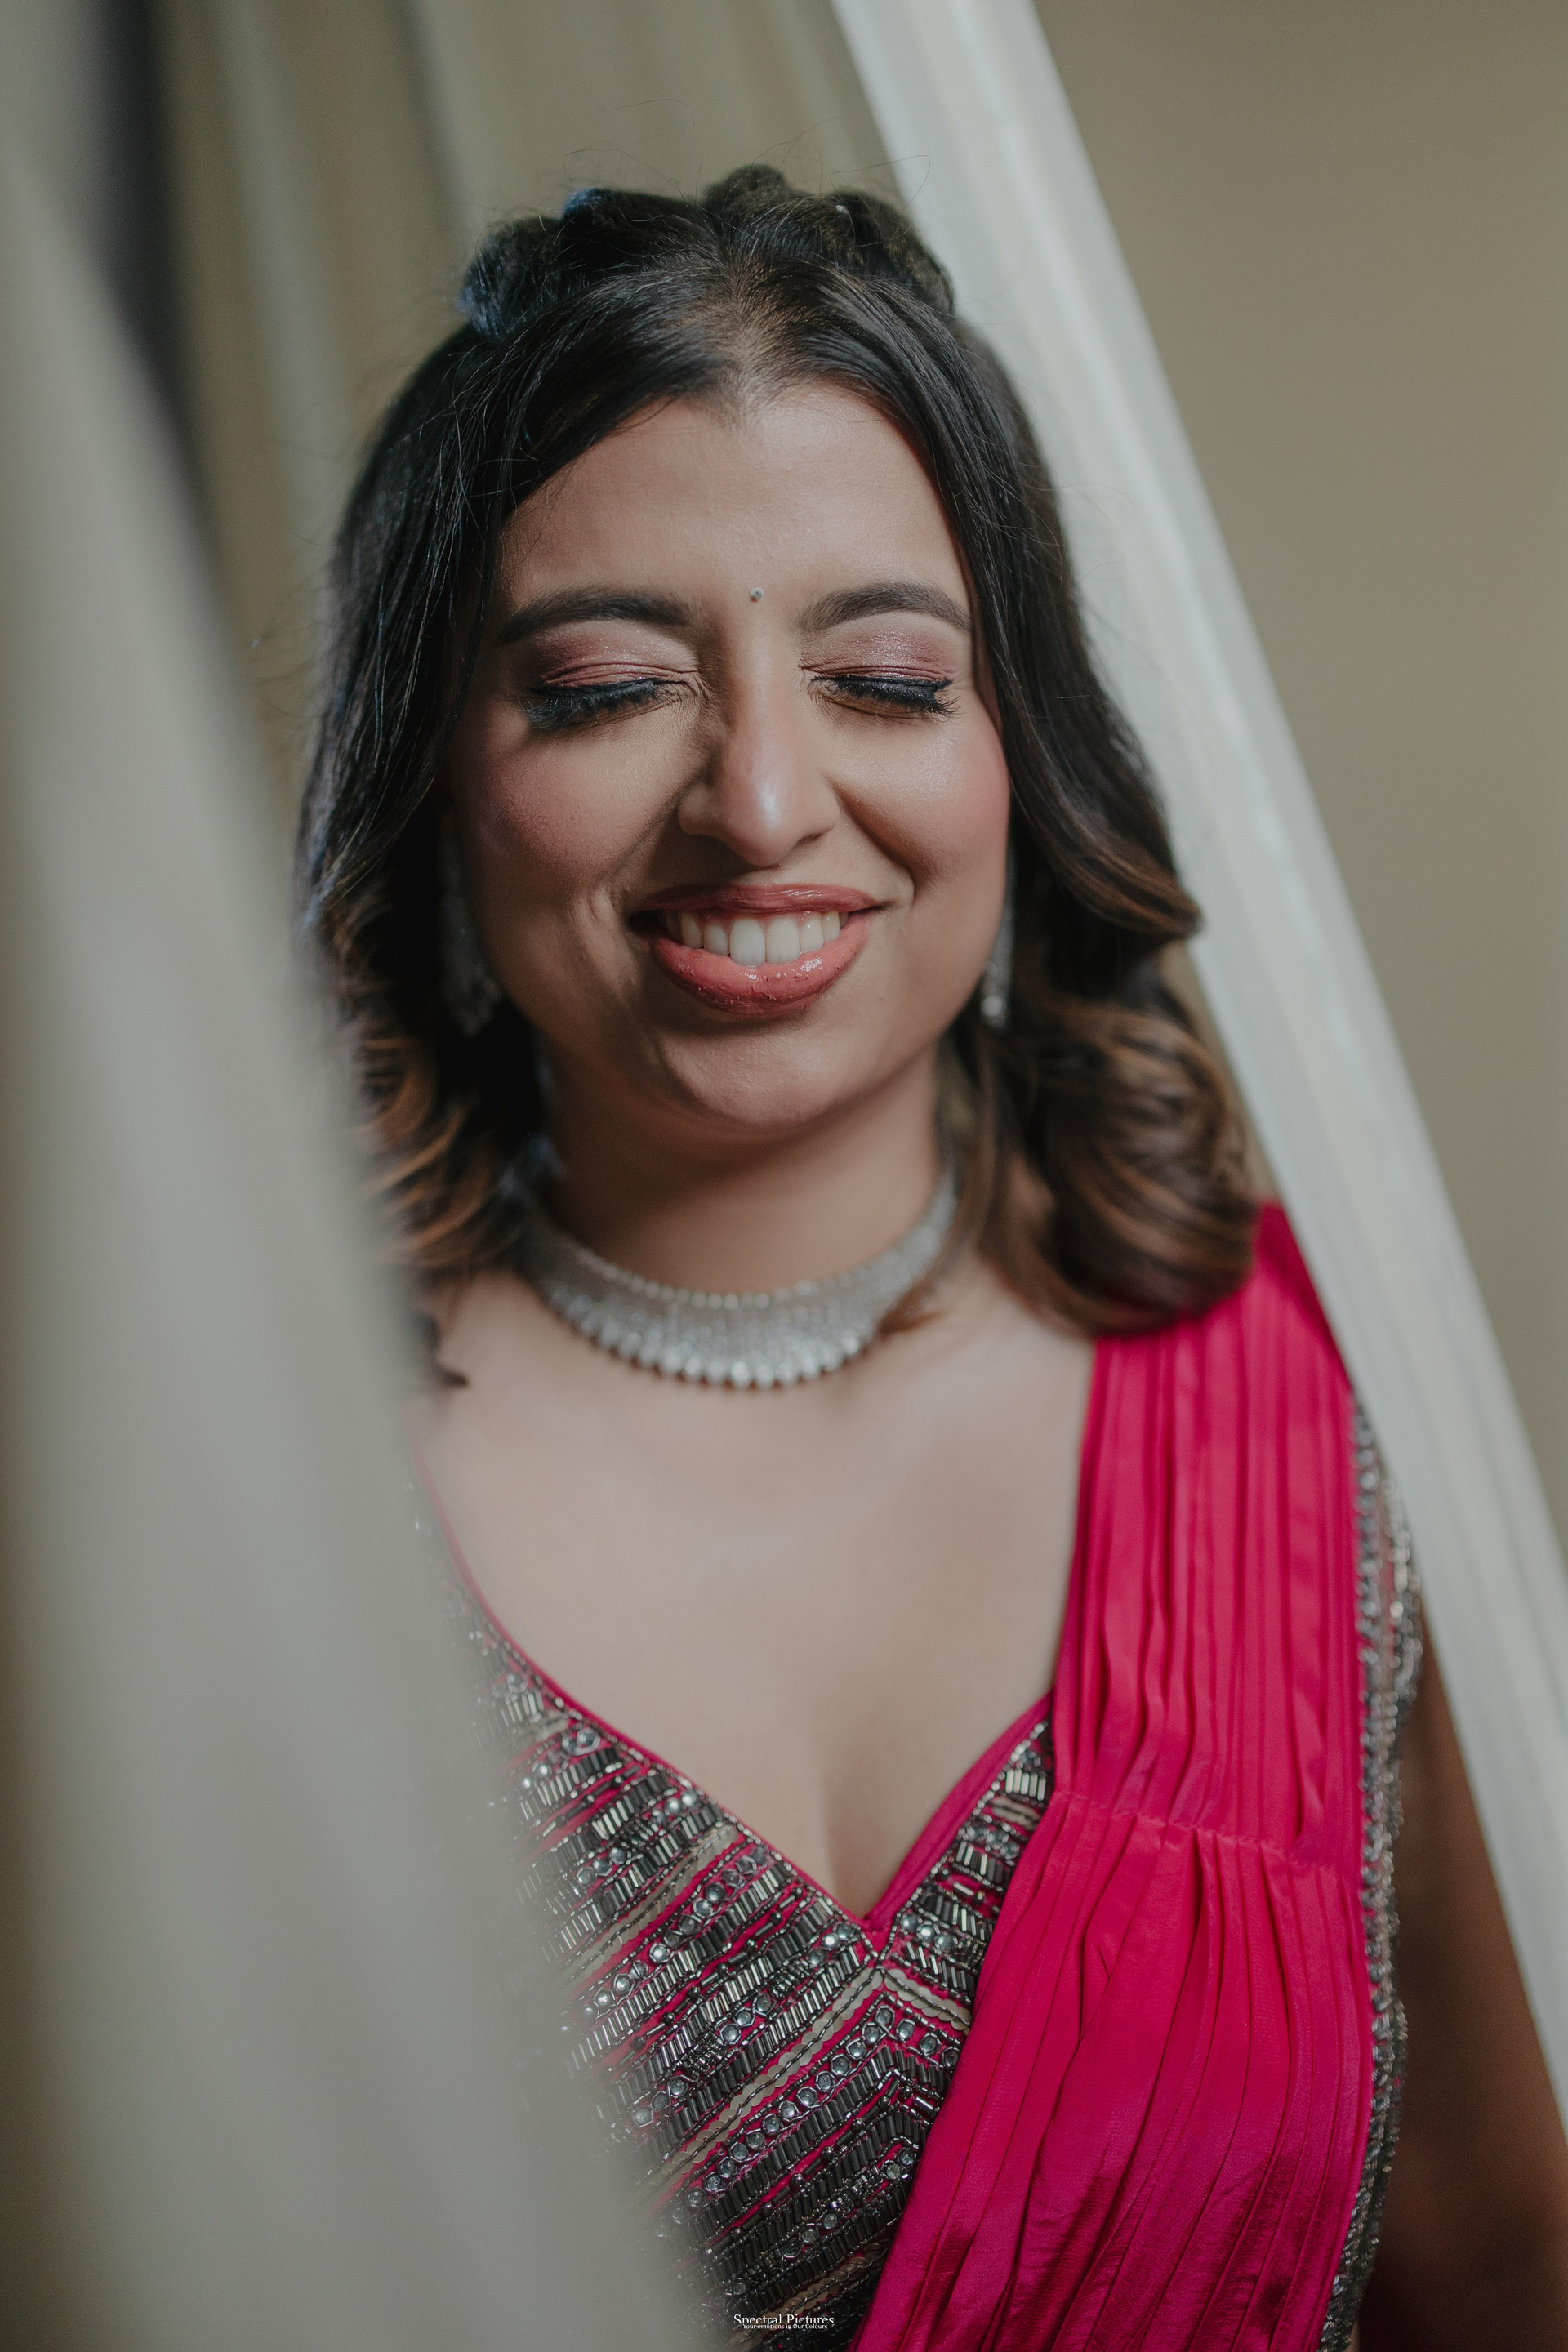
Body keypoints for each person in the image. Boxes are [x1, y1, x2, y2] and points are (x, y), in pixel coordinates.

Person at [296, 169, 1568, 2351]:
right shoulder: (255, 1484)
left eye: (883, 678)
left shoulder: (1305, 1403)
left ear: (1022, 756)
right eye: (603, 688)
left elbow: (1500, 2263)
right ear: (435, 776)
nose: (761, 801)